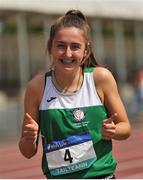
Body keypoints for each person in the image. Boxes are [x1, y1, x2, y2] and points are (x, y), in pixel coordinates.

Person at [19, 9, 131, 179]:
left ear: (86, 51)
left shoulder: (100, 78)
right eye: (61, 46)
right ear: (50, 47)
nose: (68, 54)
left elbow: (126, 128)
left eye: (75, 47)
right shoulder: (36, 87)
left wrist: (114, 130)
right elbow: (27, 152)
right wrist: (28, 139)